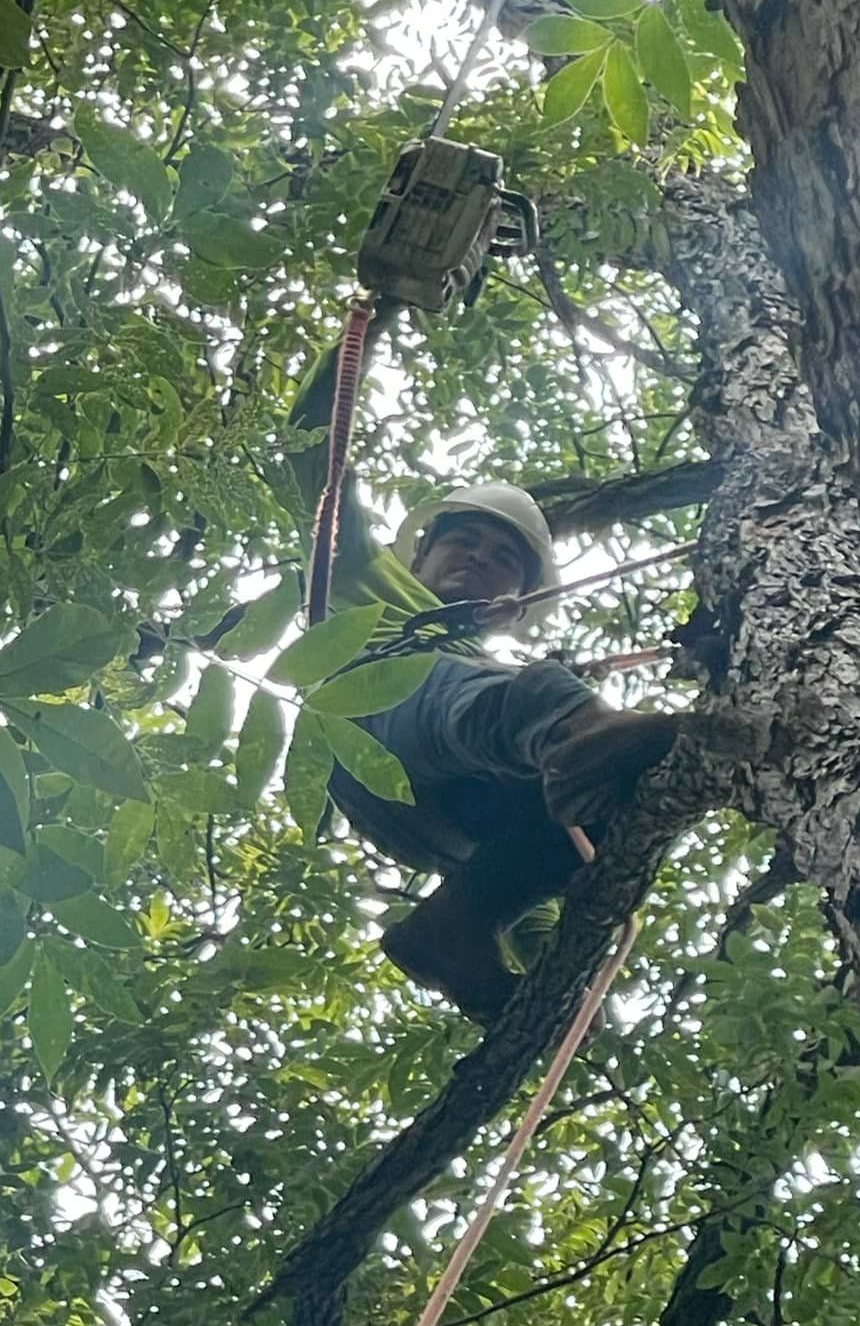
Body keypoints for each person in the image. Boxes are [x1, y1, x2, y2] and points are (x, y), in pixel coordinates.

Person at [286, 304, 678, 1023]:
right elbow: (314, 455)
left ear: (514, 603)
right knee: (537, 702)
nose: (479, 559)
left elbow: (534, 852)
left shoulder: (486, 665)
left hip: (438, 824)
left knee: (586, 811)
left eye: (503, 560)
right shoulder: (366, 577)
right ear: (422, 551)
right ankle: (577, 734)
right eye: (463, 542)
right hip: (368, 728)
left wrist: (543, 980)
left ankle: (451, 929)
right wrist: (364, 326)